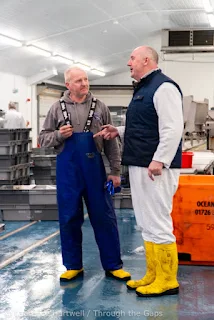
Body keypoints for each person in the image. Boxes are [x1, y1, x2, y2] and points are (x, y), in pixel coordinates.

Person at [94, 46, 184, 297]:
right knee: (145, 223)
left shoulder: (164, 87)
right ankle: (153, 274)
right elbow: (144, 126)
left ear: (147, 60)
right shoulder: (143, 88)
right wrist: (118, 131)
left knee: (158, 222)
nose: (128, 62)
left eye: (132, 58)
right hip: (140, 164)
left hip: (155, 168)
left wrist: (160, 160)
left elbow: (173, 128)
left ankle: (167, 280)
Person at [38, 67, 131, 282]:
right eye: (78, 80)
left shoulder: (100, 107)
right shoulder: (56, 109)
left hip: (94, 169)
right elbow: (43, 139)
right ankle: (73, 266)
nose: (84, 83)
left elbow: (111, 141)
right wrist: (59, 135)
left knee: (104, 216)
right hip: (67, 171)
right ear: (68, 84)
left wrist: (115, 171)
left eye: (86, 79)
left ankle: (113, 265)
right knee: (69, 217)